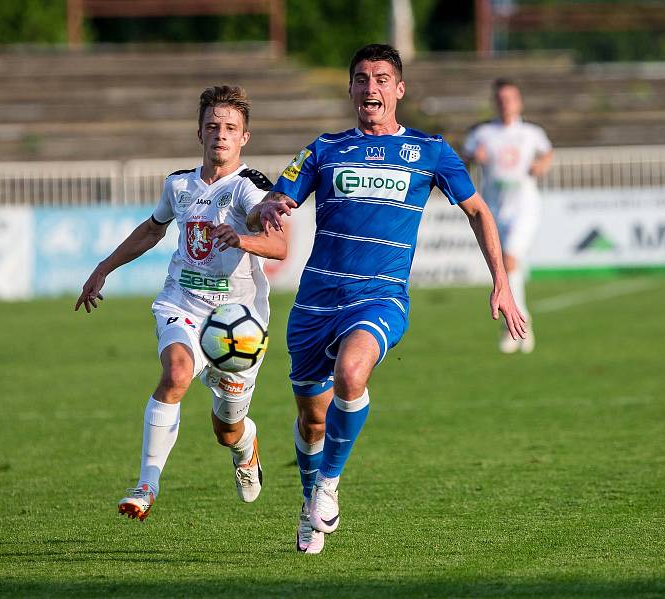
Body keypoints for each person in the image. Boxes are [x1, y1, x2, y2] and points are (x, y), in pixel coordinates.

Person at [247, 44, 526, 554]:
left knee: (352, 374)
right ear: (350, 88)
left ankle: (328, 484)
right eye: (360, 79)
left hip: (380, 297)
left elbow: (479, 211)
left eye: (380, 79)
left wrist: (501, 282)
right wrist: (268, 206)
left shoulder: (431, 151)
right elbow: (280, 198)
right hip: (314, 302)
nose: (370, 88)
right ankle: (311, 499)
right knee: (312, 418)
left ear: (399, 89)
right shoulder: (324, 148)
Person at [75, 85, 286, 521]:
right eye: (213, 126)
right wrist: (103, 268)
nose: (221, 135)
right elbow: (154, 229)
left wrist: (245, 236)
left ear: (244, 137)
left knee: (226, 429)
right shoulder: (178, 184)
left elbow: (279, 245)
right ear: (199, 133)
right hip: (183, 302)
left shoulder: (249, 187)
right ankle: (146, 486)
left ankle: (246, 446)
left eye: (231, 128)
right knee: (175, 375)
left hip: (238, 321)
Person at [462, 78, 553, 353]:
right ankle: (519, 323)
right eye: (500, 99)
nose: (506, 104)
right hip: (493, 209)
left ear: (519, 102)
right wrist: (473, 157)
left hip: (525, 208)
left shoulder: (531, 133)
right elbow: (461, 160)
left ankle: (516, 323)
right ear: (495, 103)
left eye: (510, 98)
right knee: (506, 266)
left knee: (509, 262)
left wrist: (541, 165)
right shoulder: (483, 134)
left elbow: (547, 154)